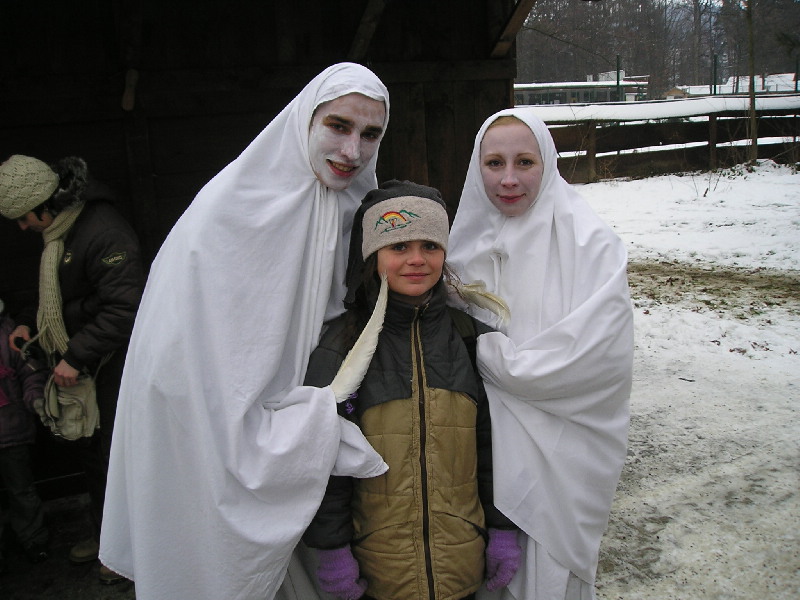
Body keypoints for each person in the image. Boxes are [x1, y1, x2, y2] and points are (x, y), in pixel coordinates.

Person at [99, 62, 391, 600]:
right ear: (305, 121)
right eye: (338, 126)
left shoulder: (354, 209)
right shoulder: (228, 209)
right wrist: (266, 430)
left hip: (297, 418)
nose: (353, 151)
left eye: (370, 134)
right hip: (211, 421)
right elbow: (187, 348)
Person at [302, 180, 521, 600]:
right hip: (377, 572)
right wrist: (332, 551)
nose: (417, 260)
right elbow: (321, 456)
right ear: (373, 256)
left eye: (430, 246)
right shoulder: (343, 346)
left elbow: (498, 446)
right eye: (399, 246)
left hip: (462, 564)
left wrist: (503, 529)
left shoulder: (470, 339)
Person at [447, 109, 634, 600]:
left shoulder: (590, 244)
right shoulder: (459, 247)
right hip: (480, 450)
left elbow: (598, 358)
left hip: (562, 445)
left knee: (547, 569)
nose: (508, 179)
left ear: (547, 162)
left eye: (524, 162)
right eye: (494, 163)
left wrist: (490, 355)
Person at [0, 154, 146, 584]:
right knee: (95, 459)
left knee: (116, 462)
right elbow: (59, 297)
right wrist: (27, 322)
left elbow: (125, 308)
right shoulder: (62, 231)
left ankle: (127, 558)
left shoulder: (104, 232)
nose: (22, 228)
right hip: (91, 368)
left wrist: (75, 355)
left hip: (113, 368)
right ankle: (108, 542)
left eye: (23, 218)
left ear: (43, 204)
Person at [0, 298, 49, 572]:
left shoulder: (10, 333)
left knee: (21, 490)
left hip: (11, 429)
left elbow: (30, 372)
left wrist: (35, 399)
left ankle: (33, 539)